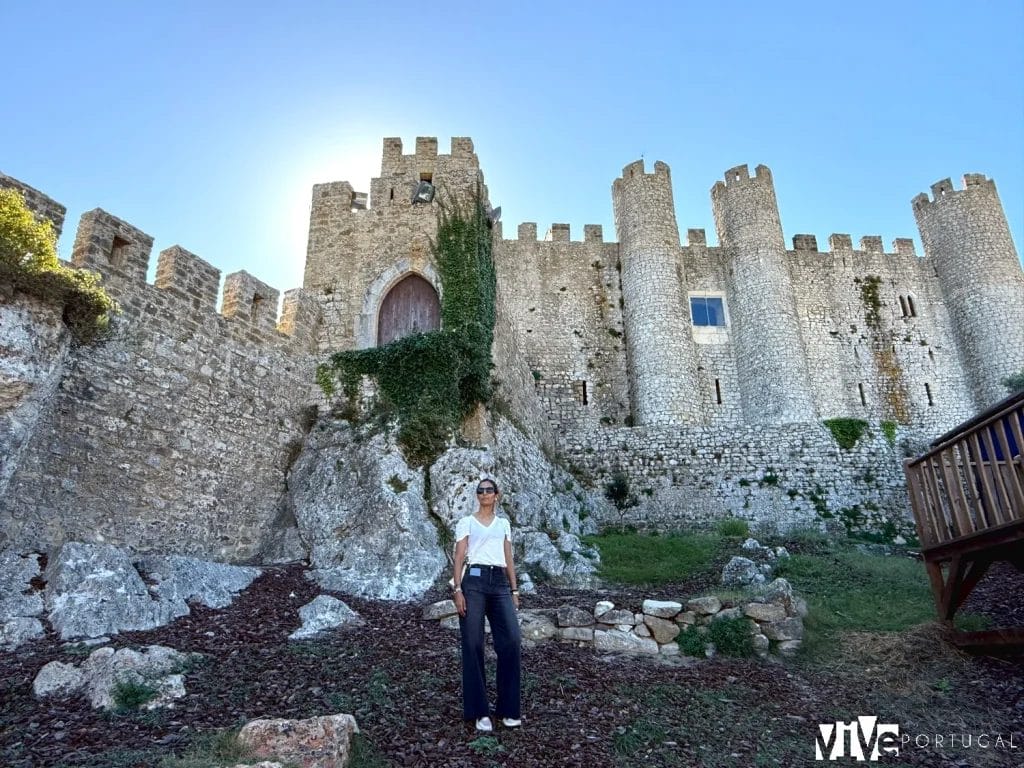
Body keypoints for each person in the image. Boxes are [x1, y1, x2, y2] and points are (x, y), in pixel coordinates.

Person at [453, 477, 522, 732]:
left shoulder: (503, 524)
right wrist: (457, 589)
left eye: (488, 490)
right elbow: (459, 556)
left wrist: (514, 589)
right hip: (473, 582)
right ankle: (480, 711)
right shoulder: (467, 522)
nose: (484, 494)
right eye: (480, 491)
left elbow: (508, 557)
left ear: (496, 495)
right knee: (472, 644)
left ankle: (508, 709)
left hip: (500, 583)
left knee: (512, 640)